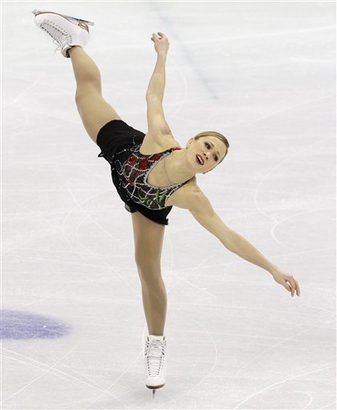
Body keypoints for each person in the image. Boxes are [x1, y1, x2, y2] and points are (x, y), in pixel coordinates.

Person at [32, 10, 301, 393]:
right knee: (86, 93)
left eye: (215, 157)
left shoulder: (191, 196)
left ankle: (155, 345)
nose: (208, 154)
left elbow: (229, 237)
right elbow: (154, 94)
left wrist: (273, 269)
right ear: (191, 142)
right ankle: (74, 39)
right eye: (207, 145)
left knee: (148, 271)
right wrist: (162, 55)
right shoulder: (160, 136)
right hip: (126, 153)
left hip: (147, 204)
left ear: (208, 170)